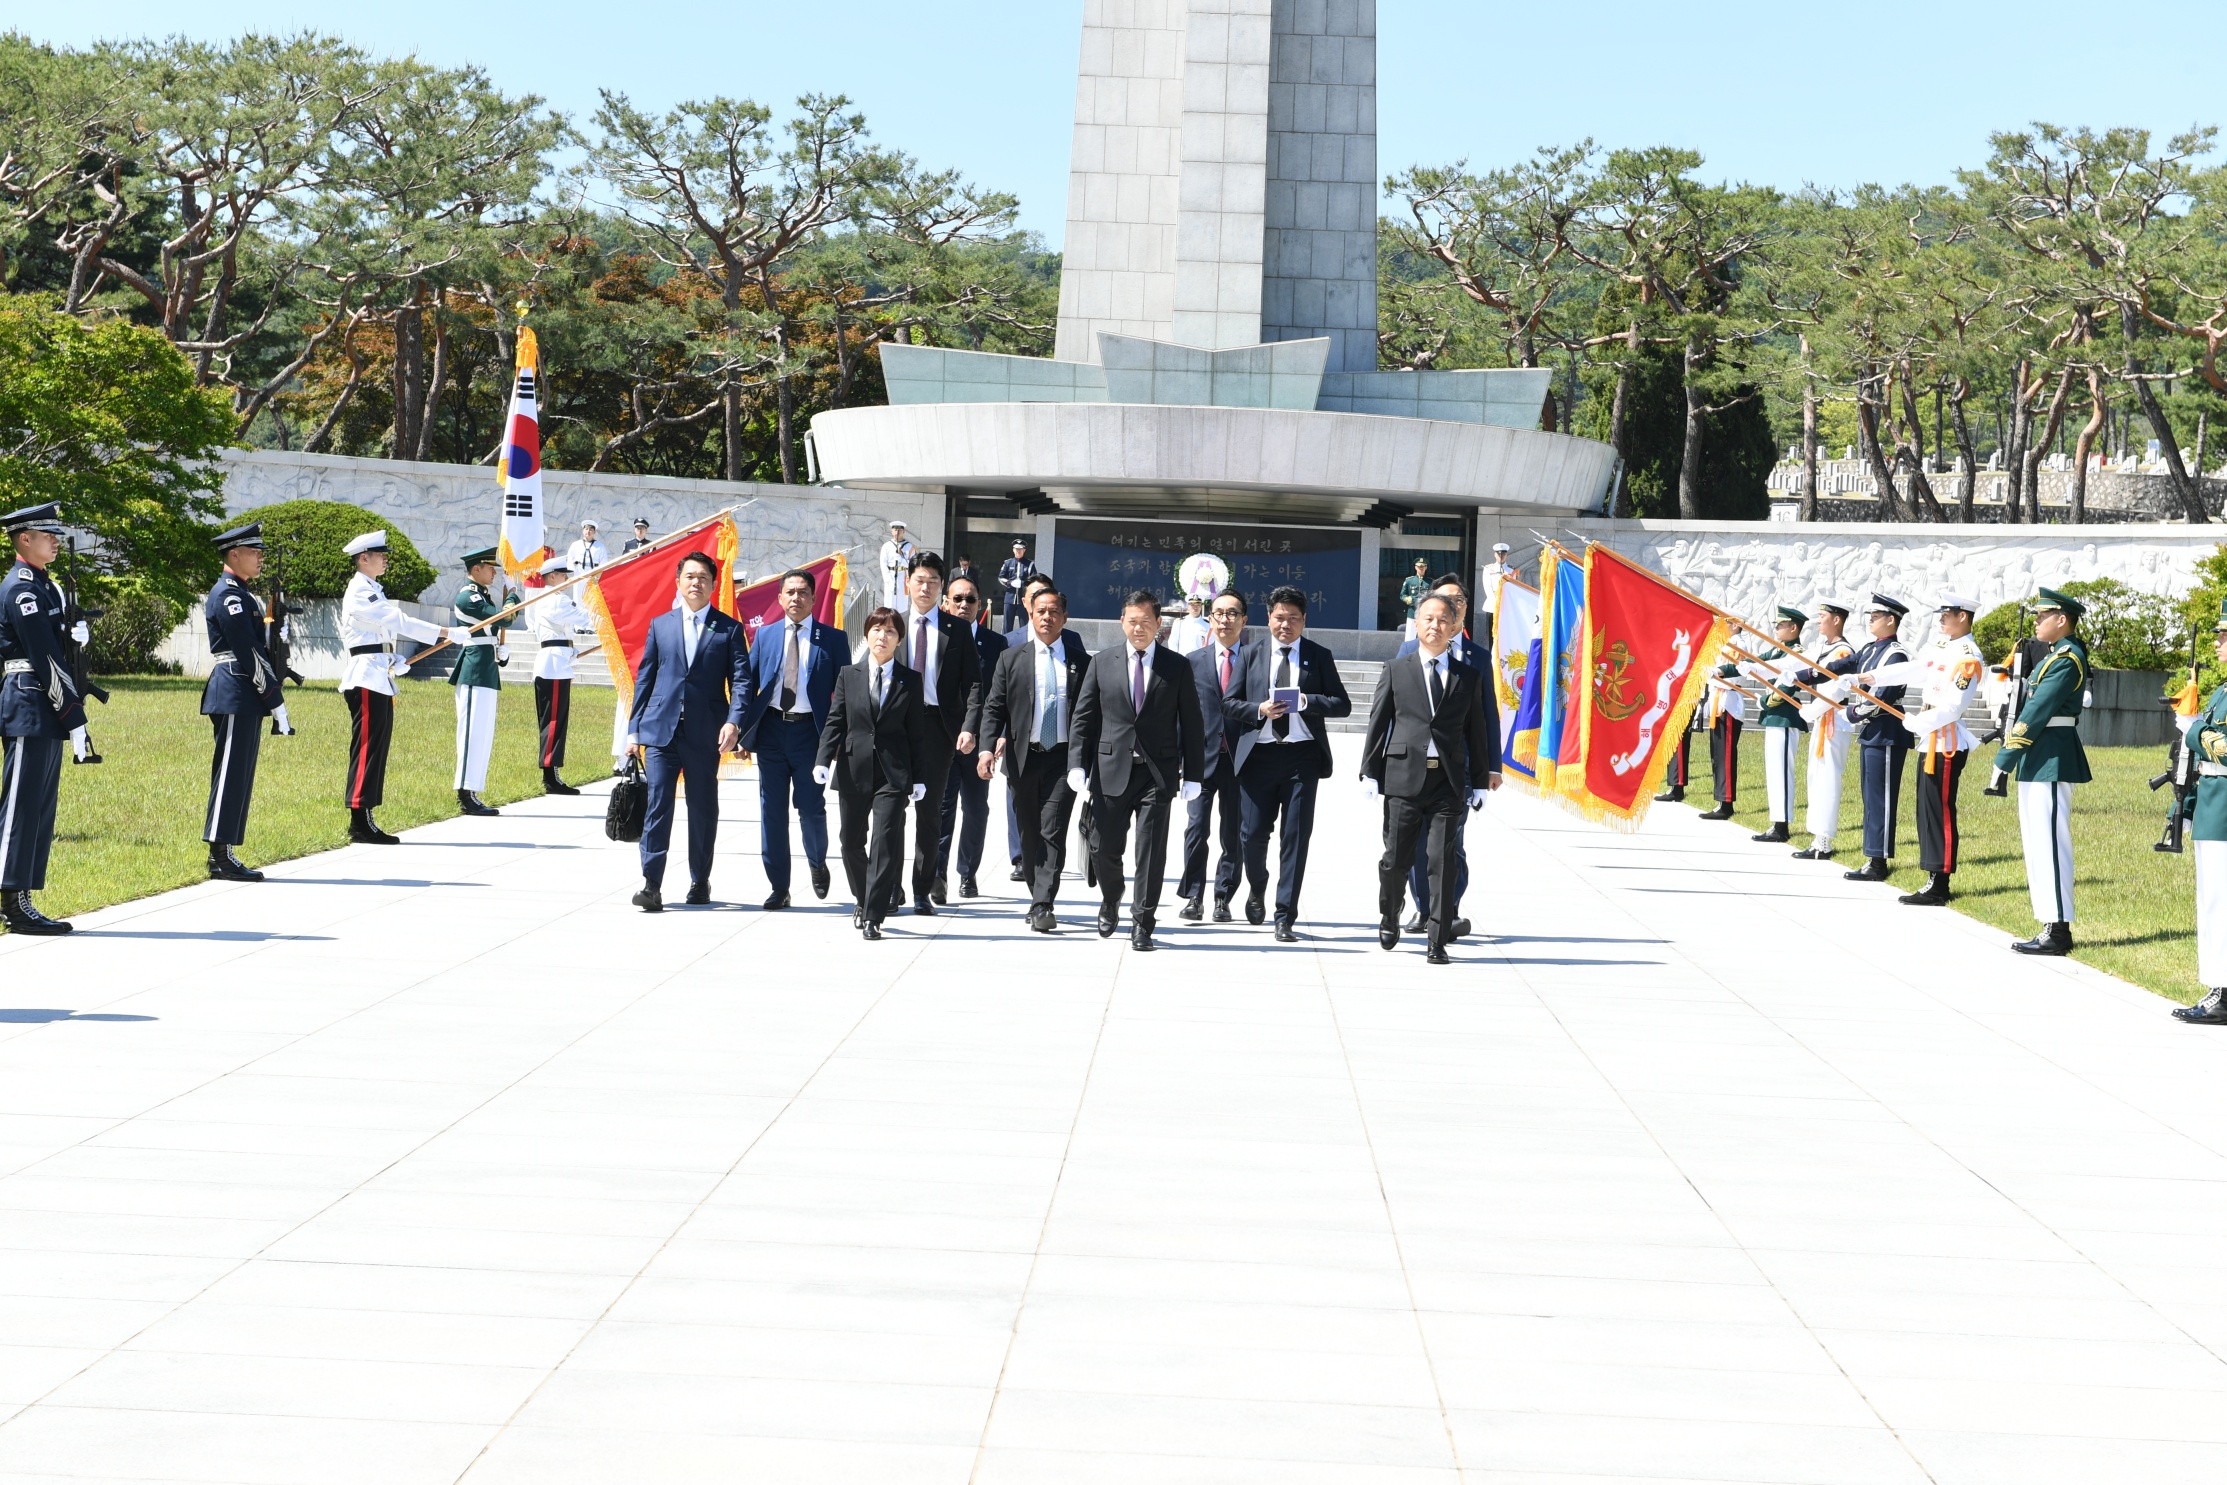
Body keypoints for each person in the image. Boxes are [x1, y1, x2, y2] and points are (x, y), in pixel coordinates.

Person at [1361, 592, 1500, 965]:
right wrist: (1369, 774)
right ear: (1416, 624)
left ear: (1454, 626)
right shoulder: (1397, 669)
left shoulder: (1466, 676)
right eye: (1428, 619)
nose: (1435, 626)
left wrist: (1482, 779)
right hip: (1403, 780)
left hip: (1448, 783)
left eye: (1443, 620)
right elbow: (1378, 726)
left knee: (1442, 861)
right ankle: (1390, 913)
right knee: (1396, 860)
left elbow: (1477, 731)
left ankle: (1437, 939)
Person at [1067, 588, 1207, 950]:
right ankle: (1111, 897)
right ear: (1122, 622)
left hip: (1156, 773)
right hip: (1110, 769)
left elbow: (1191, 722)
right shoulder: (1102, 662)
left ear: (1159, 623)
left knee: (1150, 851)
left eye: (1147, 622)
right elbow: (1083, 718)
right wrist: (1076, 765)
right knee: (1103, 846)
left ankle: (1143, 920)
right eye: (1133, 621)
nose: (1139, 628)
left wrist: (1193, 774)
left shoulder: (1176, 666)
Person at [1222, 584, 1352, 940]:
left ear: (1304, 620)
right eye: (1280, 617)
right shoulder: (1250, 655)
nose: (1286, 624)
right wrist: (1258, 709)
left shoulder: (1318, 655)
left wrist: (1308, 702)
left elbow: (1342, 704)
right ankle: (1258, 885)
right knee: (1251, 836)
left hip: (1301, 758)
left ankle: (1285, 915)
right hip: (1258, 756)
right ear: (1269, 618)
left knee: (1295, 838)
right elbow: (1229, 704)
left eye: (1294, 618)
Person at [624, 551, 748, 912]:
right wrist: (634, 731)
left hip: (705, 733)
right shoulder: (661, 625)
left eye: (703, 578)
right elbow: (645, 678)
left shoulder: (728, 629)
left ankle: (700, 879)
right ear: (678, 582)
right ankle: (651, 883)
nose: (696, 583)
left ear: (713, 585)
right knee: (658, 806)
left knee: (703, 808)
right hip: (662, 732)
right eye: (690, 577)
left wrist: (734, 721)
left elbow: (741, 681)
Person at [1859, 592, 1985, 906]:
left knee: (1939, 811)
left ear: (1963, 616)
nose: (1941, 618)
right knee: (1925, 811)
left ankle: (1939, 883)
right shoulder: (1946, 648)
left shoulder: (1968, 655)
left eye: (1947, 613)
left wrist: (1921, 722)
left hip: (1945, 741)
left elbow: (1954, 705)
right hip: (1931, 739)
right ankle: (1932, 876)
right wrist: (1872, 676)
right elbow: (1917, 669)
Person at [0, 503, 92, 933]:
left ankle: (24, 896)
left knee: (39, 806)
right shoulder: (21, 588)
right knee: (20, 804)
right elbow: (42, 658)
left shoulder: (47, 587)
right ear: (24, 539)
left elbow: (58, 651)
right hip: (28, 700)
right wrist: (74, 714)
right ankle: (11, 898)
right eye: (46, 533)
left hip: (45, 703)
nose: (55, 539)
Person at [978, 583, 1092, 932]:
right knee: (1028, 832)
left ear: (1064, 617)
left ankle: (1044, 903)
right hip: (1022, 757)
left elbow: (1090, 714)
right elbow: (994, 707)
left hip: (1063, 759)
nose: (1047, 617)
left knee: (1052, 830)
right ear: (1031, 613)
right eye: (1041, 610)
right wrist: (986, 748)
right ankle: (1036, 892)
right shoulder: (1011, 658)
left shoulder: (1080, 662)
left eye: (1054, 611)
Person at [735, 567, 850, 909]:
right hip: (771, 731)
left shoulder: (832, 639)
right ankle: (779, 886)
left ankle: (817, 861)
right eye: (790, 592)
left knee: (810, 808)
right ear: (780, 598)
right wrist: (741, 731)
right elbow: (748, 686)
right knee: (771, 810)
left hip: (809, 736)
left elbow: (844, 694)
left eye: (803, 592)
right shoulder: (766, 635)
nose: (796, 598)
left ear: (814, 599)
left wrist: (840, 739)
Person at [338, 531, 462, 845]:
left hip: (377, 675)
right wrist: (445, 632)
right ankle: (359, 820)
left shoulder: (371, 589)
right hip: (365, 678)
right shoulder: (359, 590)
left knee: (376, 749)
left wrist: (393, 658)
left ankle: (365, 817)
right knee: (367, 749)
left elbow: (375, 636)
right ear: (363, 558)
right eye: (380, 554)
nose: (386, 558)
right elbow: (397, 620)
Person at [813, 607, 929, 940]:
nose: (883, 636)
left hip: (894, 775)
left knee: (884, 843)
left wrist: (919, 778)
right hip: (854, 768)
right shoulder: (849, 675)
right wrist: (823, 760)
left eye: (891, 631)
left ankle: (873, 914)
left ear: (899, 640)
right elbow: (836, 721)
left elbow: (916, 734)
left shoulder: (911, 680)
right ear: (866, 635)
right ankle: (863, 897)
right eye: (877, 629)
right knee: (850, 843)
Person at [1992, 586, 2089, 956]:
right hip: (2039, 755)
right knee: (2037, 841)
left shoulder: (2067, 657)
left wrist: (2005, 757)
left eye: (2042, 615)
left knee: (2049, 841)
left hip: (2051, 755)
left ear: (2061, 620)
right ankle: (2048, 920)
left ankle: (2058, 928)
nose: (2036, 621)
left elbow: (2037, 712)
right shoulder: (2054, 656)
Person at [200, 522, 295, 882]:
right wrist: (275, 699)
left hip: (245, 692)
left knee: (239, 773)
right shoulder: (228, 595)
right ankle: (219, 854)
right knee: (230, 773)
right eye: (253, 553)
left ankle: (226, 850)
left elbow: (258, 645)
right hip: (236, 690)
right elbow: (248, 653)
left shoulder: (243, 594)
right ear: (233, 554)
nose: (259, 559)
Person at [895, 550, 985, 914]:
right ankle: (890, 885)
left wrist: (968, 727)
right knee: (891, 812)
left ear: (941, 588)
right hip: (895, 730)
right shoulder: (893, 625)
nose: (926, 587)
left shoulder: (958, 630)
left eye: (933, 581)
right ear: (907, 584)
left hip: (938, 729)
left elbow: (975, 686)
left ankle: (922, 888)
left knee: (931, 814)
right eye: (920, 580)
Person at [1396, 576, 1486, 933]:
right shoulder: (1407, 652)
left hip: (1457, 768)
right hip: (1413, 766)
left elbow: (1485, 720)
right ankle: (1424, 907)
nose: (1453, 605)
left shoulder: (1477, 656)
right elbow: (1394, 712)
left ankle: (1447, 908)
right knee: (1417, 844)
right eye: (1445, 600)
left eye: (1459, 600)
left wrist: (1488, 769)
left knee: (1451, 844)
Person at [933, 575, 1007, 899]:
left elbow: (1002, 695)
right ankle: (937, 875)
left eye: (971, 600)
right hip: (943, 739)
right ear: (946, 603)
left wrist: (997, 737)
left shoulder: (996, 645)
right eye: (957, 599)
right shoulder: (934, 638)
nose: (964, 605)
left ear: (980, 605)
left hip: (980, 745)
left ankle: (967, 873)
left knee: (976, 810)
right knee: (942, 809)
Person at [1179, 589, 1249, 922]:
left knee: (1232, 833)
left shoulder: (1254, 660)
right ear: (1210, 618)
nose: (1225, 619)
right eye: (1219, 613)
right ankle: (1194, 895)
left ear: (1244, 620)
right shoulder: (1192, 662)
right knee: (1196, 829)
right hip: (1200, 761)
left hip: (1240, 761)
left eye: (1232, 613)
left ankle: (1223, 896)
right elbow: (1182, 714)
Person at [1832, 594, 1913, 883]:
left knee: (1881, 799)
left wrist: (1851, 713)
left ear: (1890, 620)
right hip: (1872, 733)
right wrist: (1806, 673)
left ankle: (1878, 861)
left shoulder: (1895, 654)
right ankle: (1872, 855)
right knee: (1870, 797)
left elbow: (1883, 697)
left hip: (1887, 732)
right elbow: (1844, 665)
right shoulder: (1870, 649)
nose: (1870, 620)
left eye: (1876, 616)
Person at [2174, 601, 2227, 1023]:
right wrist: (2187, 807)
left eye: (2225, 637)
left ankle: (2222, 992)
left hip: (2225, 808)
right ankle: (2216, 985)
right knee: (2210, 899)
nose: (2218, 643)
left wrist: (2192, 729)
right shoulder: (2223, 690)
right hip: (2212, 803)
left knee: (2220, 902)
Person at [1732, 606, 1810, 845]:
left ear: (1793, 628)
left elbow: (1787, 688)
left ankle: (1782, 825)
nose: (1776, 628)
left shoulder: (1796, 652)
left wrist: (1765, 701)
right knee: (1774, 772)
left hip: (1785, 716)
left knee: (1782, 772)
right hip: (1774, 718)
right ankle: (1777, 821)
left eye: (1780, 625)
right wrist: (1719, 671)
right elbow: (1755, 662)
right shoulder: (1777, 649)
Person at [524, 554, 599, 795]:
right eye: (564, 575)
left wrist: (571, 652)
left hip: (557, 662)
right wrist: (607, 612)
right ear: (552, 577)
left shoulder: (551, 599)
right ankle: (550, 777)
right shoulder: (555, 600)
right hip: (553, 666)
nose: (567, 579)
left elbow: (559, 633)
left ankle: (552, 773)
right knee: (554, 722)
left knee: (556, 721)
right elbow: (585, 619)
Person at [449, 547, 513, 818]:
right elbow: (503, 617)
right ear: (476, 569)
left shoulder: (482, 593)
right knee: (471, 734)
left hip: (485, 667)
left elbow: (495, 627)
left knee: (483, 734)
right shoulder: (469, 596)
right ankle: (465, 792)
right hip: (474, 669)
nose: (494, 572)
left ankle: (473, 789)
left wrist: (499, 651)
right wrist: (514, 595)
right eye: (490, 567)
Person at [1790, 599, 1857, 860]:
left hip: (1834, 720)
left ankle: (1825, 842)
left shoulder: (1842, 651)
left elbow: (1835, 690)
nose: (1819, 621)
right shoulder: (1822, 647)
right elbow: (1795, 664)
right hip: (1822, 719)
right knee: (1815, 778)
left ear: (1836, 620)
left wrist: (1808, 712)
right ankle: (1817, 838)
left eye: (1823, 616)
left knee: (1828, 780)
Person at [1695, 660, 1746, 822]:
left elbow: (1735, 676)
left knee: (1726, 755)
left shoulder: (1737, 645)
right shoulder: (1723, 645)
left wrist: (1713, 675)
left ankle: (1726, 803)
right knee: (1717, 755)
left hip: (1729, 702)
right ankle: (1721, 800)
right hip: (1719, 698)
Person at [1477, 541, 1515, 651]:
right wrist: (1497, 603)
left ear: (1506, 555)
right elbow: (1487, 588)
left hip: (1506, 607)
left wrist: (1504, 603)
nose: (1501, 556)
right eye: (1498, 554)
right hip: (1492, 607)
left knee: (1504, 635)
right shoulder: (1488, 569)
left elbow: (1513, 589)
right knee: (1491, 635)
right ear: (1495, 555)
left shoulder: (1511, 570)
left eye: (1503, 554)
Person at [998, 538, 1037, 632]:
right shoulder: (1008, 563)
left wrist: (1023, 583)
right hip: (1010, 597)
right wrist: (1010, 583)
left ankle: (1024, 644)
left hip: (1023, 599)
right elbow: (1000, 577)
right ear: (1013, 550)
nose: (1018, 551)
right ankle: (1006, 643)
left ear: (1024, 550)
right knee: (1007, 625)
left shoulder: (1030, 564)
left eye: (1020, 549)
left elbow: (1034, 580)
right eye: (1016, 549)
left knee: (1024, 625)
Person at [880, 520, 917, 608]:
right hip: (891, 576)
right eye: (895, 530)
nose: (897, 532)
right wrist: (888, 579)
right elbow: (883, 564)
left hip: (903, 577)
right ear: (891, 531)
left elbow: (913, 564)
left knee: (901, 606)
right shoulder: (887, 546)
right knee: (889, 604)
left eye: (900, 530)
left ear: (904, 531)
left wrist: (902, 558)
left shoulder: (909, 546)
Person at [1398, 558, 1430, 634]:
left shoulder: (1430, 582)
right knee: (1410, 634)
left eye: (1423, 566)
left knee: (1424, 634)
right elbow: (1402, 594)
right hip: (1412, 611)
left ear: (1426, 567)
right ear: (1415, 567)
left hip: (1425, 612)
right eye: (1419, 567)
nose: (1421, 568)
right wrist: (1408, 599)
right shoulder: (1409, 581)